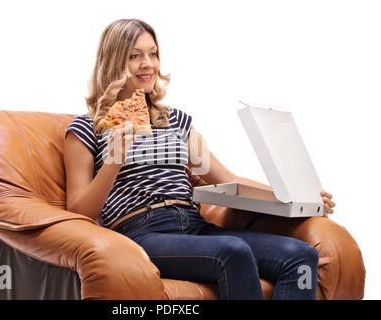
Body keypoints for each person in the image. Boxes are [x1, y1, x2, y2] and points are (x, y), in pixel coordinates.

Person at [64, 18, 336, 300]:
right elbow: (78, 211)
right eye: (134, 56)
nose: (148, 64)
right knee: (233, 251)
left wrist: (298, 198)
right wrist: (113, 163)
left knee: (300, 256)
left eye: (153, 53)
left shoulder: (175, 121)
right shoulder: (87, 128)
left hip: (194, 226)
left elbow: (228, 180)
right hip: (139, 232)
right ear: (112, 62)